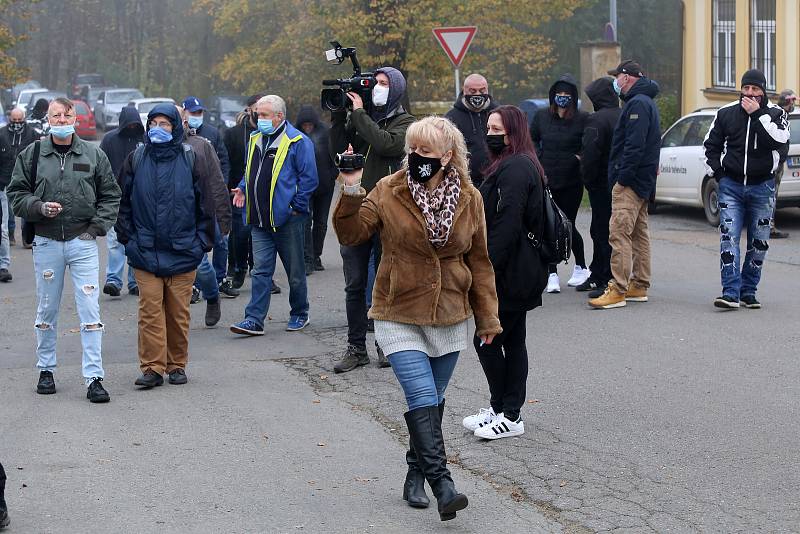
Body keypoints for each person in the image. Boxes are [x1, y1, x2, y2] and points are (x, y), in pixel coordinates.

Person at [333, 115, 502, 521]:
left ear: (447, 155)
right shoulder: (389, 189)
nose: (416, 157)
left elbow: (478, 261)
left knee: (433, 401)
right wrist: (351, 187)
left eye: (426, 151)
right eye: (412, 149)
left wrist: (488, 318)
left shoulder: (469, 197)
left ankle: (414, 475)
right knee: (422, 396)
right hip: (398, 310)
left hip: (449, 313)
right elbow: (352, 234)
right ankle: (443, 484)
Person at [8, 97, 120, 402]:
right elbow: (16, 193)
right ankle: (46, 369)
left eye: (66, 115)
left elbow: (111, 195)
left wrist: (96, 228)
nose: (61, 120)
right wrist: (40, 207)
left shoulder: (93, 154)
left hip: (82, 242)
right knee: (47, 309)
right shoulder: (32, 155)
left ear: (75, 118)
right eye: (55, 115)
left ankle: (94, 378)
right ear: (47, 119)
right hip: (46, 243)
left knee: (90, 311)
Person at [115, 104, 219, 388]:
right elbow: (122, 204)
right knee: (149, 313)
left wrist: (201, 244)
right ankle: (152, 367)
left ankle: (176, 365)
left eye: (165, 123)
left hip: (184, 250)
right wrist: (129, 241)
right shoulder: (136, 158)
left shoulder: (191, 159)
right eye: (154, 123)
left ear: (175, 127)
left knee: (177, 313)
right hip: (145, 251)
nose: (158, 128)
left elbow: (205, 206)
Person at [463, 105, 545, 440]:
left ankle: (508, 412)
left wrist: (484, 270)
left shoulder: (515, 169)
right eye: (490, 128)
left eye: (499, 130)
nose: (491, 135)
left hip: (511, 273)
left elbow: (507, 226)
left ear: (514, 132)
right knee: (511, 340)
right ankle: (504, 410)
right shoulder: (515, 164)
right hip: (517, 270)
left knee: (487, 338)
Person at [329, 66, 415, 372]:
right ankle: (356, 348)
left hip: (386, 211)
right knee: (354, 283)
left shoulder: (407, 122)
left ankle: (384, 344)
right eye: (374, 83)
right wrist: (340, 117)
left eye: (382, 84)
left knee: (383, 282)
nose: (377, 88)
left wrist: (360, 113)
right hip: (355, 206)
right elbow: (337, 152)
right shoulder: (359, 118)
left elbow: (386, 144)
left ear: (395, 90)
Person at [230, 95, 318, 336]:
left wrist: (296, 208)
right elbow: (251, 171)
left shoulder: (298, 141)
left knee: (295, 273)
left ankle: (300, 313)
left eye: (264, 115)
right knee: (260, 272)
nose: (259, 119)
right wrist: (243, 187)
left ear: (279, 117)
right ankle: (254, 319)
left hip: (288, 220)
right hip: (259, 220)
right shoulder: (255, 138)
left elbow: (309, 180)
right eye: (258, 115)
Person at [703, 69, 789, 310]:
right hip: (730, 187)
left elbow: (779, 142)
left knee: (759, 243)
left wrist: (758, 114)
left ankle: (748, 291)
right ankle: (730, 292)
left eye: (755, 89)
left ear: (763, 91)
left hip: (762, 187)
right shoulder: (725, 113)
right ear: (741, 89)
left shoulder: (776, 114)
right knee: (728, 239)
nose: (750, 94)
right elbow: (710, 147)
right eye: (746, 88)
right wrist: (718, 174)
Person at [589, 60, 661, 309]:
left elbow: (634, 145)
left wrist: (622, 178)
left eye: (617, 77)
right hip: (642, 181)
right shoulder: (644, 102)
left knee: (619, 233)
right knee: (640, 234)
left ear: (627, 78)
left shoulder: (637, 104)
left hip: (631, 182)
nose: (615, 83)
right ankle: (639, 284)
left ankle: (618, 288)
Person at [530, 74, 591, 293]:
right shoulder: (541, 117)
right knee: (549, 226)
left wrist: (578, 158)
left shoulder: (582, 119)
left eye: (567, 95)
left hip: (572, 181)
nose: (562, 99)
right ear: (552, 97)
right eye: (559, 95)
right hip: (547, 179)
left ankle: (581, 266)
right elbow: (532, 138)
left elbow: (589, 142)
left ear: (573, 98)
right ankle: (552, 272)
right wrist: (539, 156)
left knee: (569, 224)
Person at [177, 105, 233, 326]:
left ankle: (212, 295)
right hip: (165, 219)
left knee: (200, 266)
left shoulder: (201, 146)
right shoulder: (152, 148)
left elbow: (217, 183)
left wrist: (223, 216)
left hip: (196, 216)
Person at [578, 78, 622, 297]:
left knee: (600, 230)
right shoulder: (622, 115)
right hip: (619, 181)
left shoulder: (596, 120)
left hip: (600, 183)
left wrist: (587, 179)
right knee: (614, 231)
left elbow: (590, 154)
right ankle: (603, 274)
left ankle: (603, 276)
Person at [99, 104, 144, 296]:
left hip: (139, 196)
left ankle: (134, 281)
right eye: (130, 124)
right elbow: (100, 165)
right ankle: (114, 280)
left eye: (136, 124)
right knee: (115, 239)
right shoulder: (110, 139)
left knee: (136, 239)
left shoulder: (144, 139)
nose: (132, 128)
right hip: (114, 196)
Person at [224, 94, 262, 289]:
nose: (259, 112)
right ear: (248, 110)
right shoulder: (233, 134)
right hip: (239, 191)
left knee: (261, 234)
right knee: (240, 234)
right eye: (257, 108)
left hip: (263, 192)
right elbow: (227, 162)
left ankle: (261, 273)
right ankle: (238, 268)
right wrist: (228, 188)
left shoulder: (272, 133)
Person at [296, 105, 337, 275]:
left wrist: (332, 175)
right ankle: (307, 258)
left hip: (325, 186)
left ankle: (316, 255)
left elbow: (335, 156)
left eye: (309, 125)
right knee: (305, 222)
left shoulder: (326, 133)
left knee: (320, 223)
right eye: (304, 125)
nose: (307, 128)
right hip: (304, 187)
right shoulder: (294, 135)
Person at [0, 108, 38, 282]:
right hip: (4, 182)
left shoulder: (32, 134)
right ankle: (4, 263)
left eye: (19, 120)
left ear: (23, 119)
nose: (16, 123)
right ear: (10, 119)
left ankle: (26, 237)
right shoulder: (2, 135)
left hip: (25, 181)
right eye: (13, 120)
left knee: (25, 211)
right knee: (5, 220)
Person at [445, 73, 497, 187]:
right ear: (464, 91)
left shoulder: (499, 114)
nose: (478, 95)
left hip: (497, 179)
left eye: (482, 91)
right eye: (473, 91)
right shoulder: (451, 118)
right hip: (466, 183)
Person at [769, 89, 795, 239]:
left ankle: (769, 225)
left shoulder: (783, 115)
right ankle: (769, 227)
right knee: (771, 194)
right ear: (787, 101)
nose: (794, 103)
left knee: (772, 194)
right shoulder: (778, 115)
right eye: (792, 101)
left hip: (779, 162)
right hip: (774, 163)